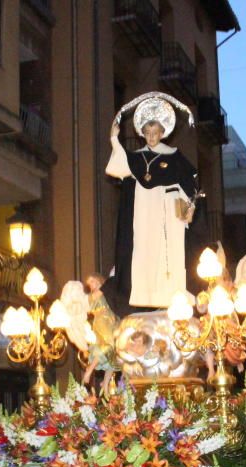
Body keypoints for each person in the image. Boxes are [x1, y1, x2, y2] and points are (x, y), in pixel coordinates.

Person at [103, 100, 197, 318]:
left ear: (163, 132)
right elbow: (119, 165)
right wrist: (113, 138)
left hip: (165, 214)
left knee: (166, 255)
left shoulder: (174, 156)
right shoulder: (136, 158)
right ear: (142, 133)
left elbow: (188, 188)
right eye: (147, 132)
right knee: (142, 252)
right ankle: (143, 295)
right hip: (142, 215)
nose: (152, 136)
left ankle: (168, 295)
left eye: (155, 132)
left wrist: (187, 210)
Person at [81, 273, 119, 388]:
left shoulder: (105, 292)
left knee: (114, 353)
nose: (91, 284)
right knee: (106, 346)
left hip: (112, 321)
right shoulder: (94, 295)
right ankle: (89, 371)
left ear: (97, 280)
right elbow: (107, 286)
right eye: (90, 283)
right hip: (103, 321)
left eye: (93, 281)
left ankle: (105, 384)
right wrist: (114, 275)